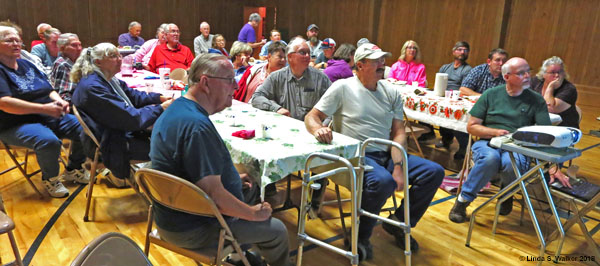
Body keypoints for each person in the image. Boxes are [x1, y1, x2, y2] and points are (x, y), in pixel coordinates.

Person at [304, 43, 444, 260]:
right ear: (360, 65)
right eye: (376, 60)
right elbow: (311, 117)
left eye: (383, 59)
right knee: (382, 181)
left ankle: (398, 223)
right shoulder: (343, 87)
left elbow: (398, 132)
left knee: (434, 172)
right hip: (356, 156)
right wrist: (319, 129)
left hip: (387, 154)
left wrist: (398, 166)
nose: (382, 64)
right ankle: (359, 235)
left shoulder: (391, 91)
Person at [149, 53, 290, 266]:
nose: (235, 86)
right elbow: (214, 197)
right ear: (206, 82)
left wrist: (231, 177)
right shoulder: (197, 127)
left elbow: (192, 171)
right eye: (229, 80)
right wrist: (253, 214)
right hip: (193, 227)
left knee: (250, 186)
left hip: (170, 215)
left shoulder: (178, 108)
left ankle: (236, 257)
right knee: (277, 230)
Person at [448, 57, 570, 223]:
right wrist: (494, 132)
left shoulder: (536, 100)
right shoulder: (490, 95)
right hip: (488, 141)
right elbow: (472, 127)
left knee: (513, 164)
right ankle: (462, 201)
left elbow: (545, 133)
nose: (527, 75)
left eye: (528, 70)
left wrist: (554, 166)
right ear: (506, 77)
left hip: (518, 145)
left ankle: (507, 193)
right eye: (521, 73)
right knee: (490, 159)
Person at [0, 26, 89, 198]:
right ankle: (51, 179)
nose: (16, 43)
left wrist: (59, 100)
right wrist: (43, 108)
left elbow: (48, 89)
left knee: (85, 126)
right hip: (15, 123)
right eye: (9, 40)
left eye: (18, 40)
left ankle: (74, 168)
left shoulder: (26, 64)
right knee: (49, 141)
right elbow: (4, 103)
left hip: (47, 114)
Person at [71, 43, 173, 180]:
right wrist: (161, 108)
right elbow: (132, 119)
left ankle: (156, 183)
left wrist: (158, 98)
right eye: (113, 56)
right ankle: (162, 192)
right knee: (173, 145)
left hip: (116, 133)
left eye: (119, 54)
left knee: (170, 135)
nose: (120, 59)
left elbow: (132, 95)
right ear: (98, 62)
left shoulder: (106, 79)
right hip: (114, 144)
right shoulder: (93, 87)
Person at [251, 37, 331, 121]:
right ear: (289, 57)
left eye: (308, 53)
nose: (307, 56)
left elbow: (334, 104)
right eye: (302, 52)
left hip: (312, 130)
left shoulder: (321, 78)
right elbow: (257, 97)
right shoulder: (276, 77)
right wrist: (276, 108)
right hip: (285, 127)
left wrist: (323, 126)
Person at [423, 41, 472, 159]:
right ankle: (445, 139)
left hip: (457, 99)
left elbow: (464, 88)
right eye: (460, 49)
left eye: (465, 50)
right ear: (454, 51)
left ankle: (464, 146)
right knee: (425, 106)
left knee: (456, 118)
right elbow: (437, 83)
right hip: (441, 96)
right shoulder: (445, 67)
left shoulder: (467, 69)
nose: (462, 52)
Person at [532, 56, 579, 129]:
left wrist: (550, 87)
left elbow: (549, 108)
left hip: (563, 129)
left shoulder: (569, 89)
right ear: (543, 74)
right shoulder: (536, 82)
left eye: (560, 72)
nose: (557, 75)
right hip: (539, 126)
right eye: (552, 72)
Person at [50, 33, 82, 102]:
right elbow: (64, 96)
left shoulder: (78, 62)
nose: (79, 48)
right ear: (62, 48)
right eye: (74, 45)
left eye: (79, 45)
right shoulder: (63, 64)